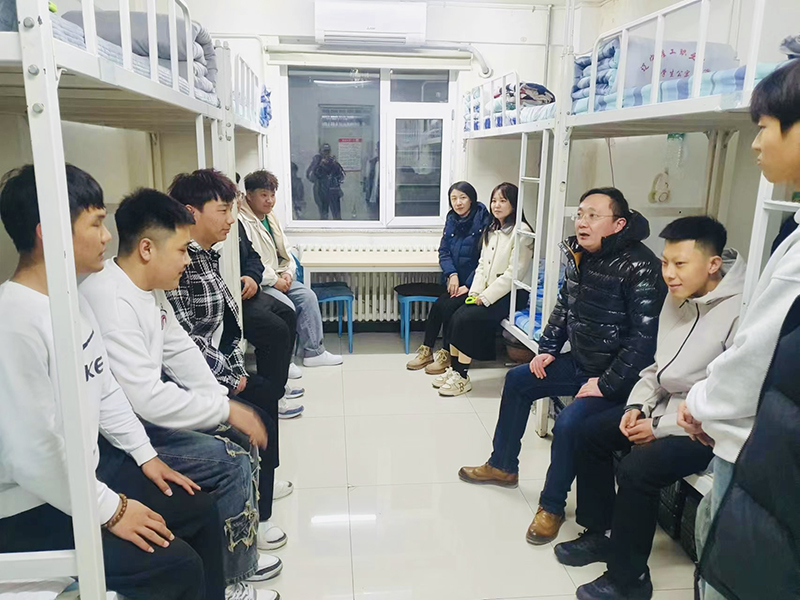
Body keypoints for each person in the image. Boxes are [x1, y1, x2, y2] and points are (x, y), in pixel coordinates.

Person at [0, 164, 228, 600]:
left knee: (198, 507)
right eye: (96, 223)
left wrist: (146, 456)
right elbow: (33, 458)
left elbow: (104, 389)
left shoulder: (71, 299)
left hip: (82, 477)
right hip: (31, 506)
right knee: (177, 566)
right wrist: (112, 509)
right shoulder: (15, 322)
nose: (107, 237)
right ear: (48, 232)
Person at [80, 188, 283, 596]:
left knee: (244, 431)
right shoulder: (112, 302)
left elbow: (179, 349)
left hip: (145, 417)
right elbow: (146, 399)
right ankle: (233, 578)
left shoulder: (148, 288)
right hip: (124, 435)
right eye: (181, 251)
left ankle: (243, 540)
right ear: (147, 249)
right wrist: (223, 411)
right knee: (230, 462)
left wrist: (222, 403)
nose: (188, 261)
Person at [459, 187, 666, 546]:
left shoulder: (641, 266)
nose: (582, 222)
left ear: (618, 224)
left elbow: (644, 341)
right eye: (580, 214)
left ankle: (551, 506)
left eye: (593, 216)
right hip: (582, 362)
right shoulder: (578, 254)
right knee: (519, 380)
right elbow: (563, 308)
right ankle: (503, 465)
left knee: (569, 421)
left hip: (618, 377)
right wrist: (547, 350)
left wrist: (605, 384)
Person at [554, 217, 744, 600]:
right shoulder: (676, 298)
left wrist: (658, 427)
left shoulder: (740, 313)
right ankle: (600, 533)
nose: (669, 274)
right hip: (662, 409)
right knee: (590, 433)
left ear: (713, 264)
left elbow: (725, 400)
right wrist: (637, 406)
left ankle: (630, 580)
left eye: (680, 264)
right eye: (665, 262)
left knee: (637, 469)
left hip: (705, 428)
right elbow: (658, 368)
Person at [678, 59, 800, 600]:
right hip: (752, 433)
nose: (754, 144)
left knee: (728, 567)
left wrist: (700, 405)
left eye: (764, 127)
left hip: (759, 448)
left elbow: (758, 356)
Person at [163, 169, 290, 557]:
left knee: (267, 399)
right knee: (261, 405)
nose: (231, 220)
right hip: (200, 380)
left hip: (220, 368)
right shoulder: (179, 262)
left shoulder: (205, 256)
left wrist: (236, 371)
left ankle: (262, 493)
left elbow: (225, 324)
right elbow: (187, 340)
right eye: (222, 210)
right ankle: (257, 514)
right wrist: (234, 380)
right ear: (192, 212)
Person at [433, 182, 532, 397]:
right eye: (494, 201)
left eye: (503, 201)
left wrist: (485, 297)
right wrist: (475, 292)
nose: (496, 205)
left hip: (511, 294)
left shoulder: (522, 231)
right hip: (487, 291)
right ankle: (454, 369)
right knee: (455, 314)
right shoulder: (492, 229)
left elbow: (513, 274)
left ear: (514, 204)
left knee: (467, 320)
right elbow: (481, 266)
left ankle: (462, 377)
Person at [240, 169, 343, 368]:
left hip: (280, 276)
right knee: (286, 306)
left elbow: (286, 250)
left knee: (308, 297)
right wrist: (275, 281)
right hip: (262, 282)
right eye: (263, 195)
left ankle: (314, 352)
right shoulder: (242, 221)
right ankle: (284, 363)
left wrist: (288, 273)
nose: (269, 200)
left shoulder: (270, 217)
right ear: (249, 195)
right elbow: (252, 261)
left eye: (272, 195)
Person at [406, 181, 491, 374]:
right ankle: (427, 351)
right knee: (438, 306)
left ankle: (446, 355)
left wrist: (468, 285)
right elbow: (444, 252)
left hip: (475, 284)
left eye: (463, 198)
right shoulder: (452, 219)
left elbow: (485, 260)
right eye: (454, 198)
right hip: (456, 281)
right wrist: (452, 274)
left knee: (449, 308)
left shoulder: (484, 221)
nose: (458, 203)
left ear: (471, 199)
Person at [306, 143, 345, 220]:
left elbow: (341, 176)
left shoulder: (333, 162)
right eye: (324, 151)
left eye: (328, 151)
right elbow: (310, 177)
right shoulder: (317, 162)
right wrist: (319, 165)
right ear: (321, 152)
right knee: (324, 215)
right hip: (321, 191)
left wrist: (334, 165)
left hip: (333, 191)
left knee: (337, 216)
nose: (326, 154)